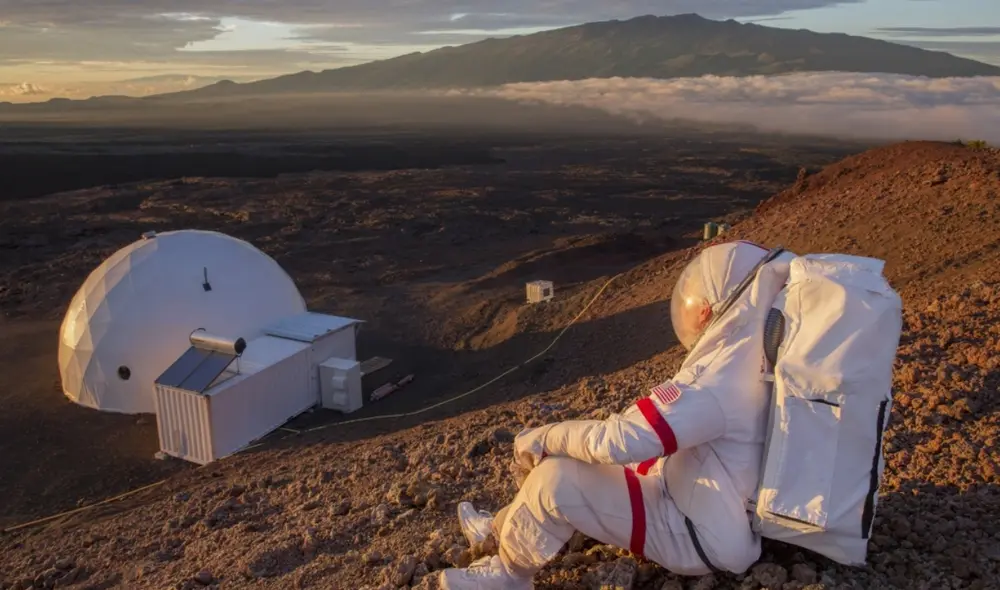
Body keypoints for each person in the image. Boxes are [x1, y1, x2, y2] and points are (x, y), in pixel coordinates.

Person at [438, 241, 794, 589]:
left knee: (557, 479)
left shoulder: (716, 381)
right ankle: (500, 530)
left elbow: (621, 440)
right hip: (710, 509)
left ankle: (509, 576)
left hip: (695, 534)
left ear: (711, 309)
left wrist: (544, 437)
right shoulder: (761, 360)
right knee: (597, 459)